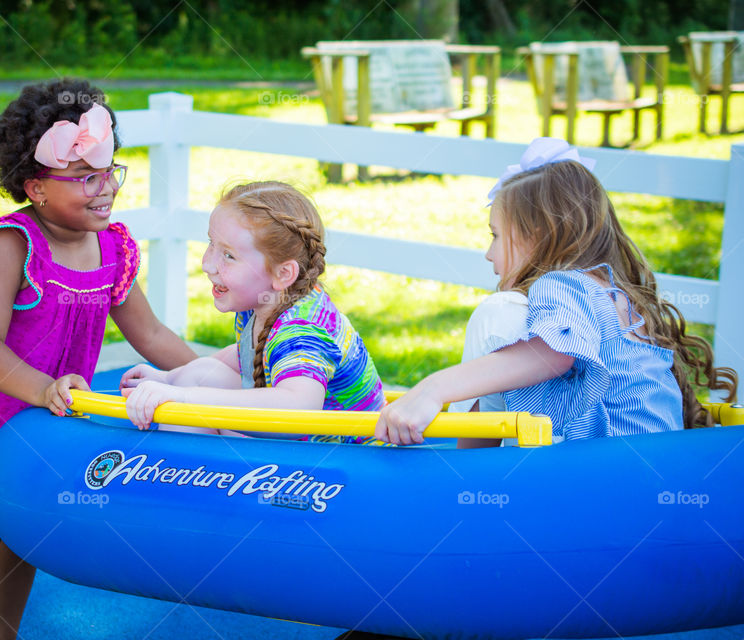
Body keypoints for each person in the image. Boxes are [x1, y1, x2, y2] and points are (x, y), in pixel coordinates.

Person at [0, 79, 197, 640]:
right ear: (35, 187)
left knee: (23, 535)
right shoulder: (10, 243)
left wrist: (210, 378)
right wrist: (45, 388)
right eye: (83, 178)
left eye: (109, 172)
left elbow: (150, 333)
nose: (104, 190)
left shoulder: (111, 248)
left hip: (29, 415)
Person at [377, 137, 737, 447]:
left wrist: (433, 388)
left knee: (499, 313)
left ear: (538, 236)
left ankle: (466, 472)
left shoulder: (564, 284)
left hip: (615, 476)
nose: (489, 254)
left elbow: (554, 354)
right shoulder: (613, 295)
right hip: (652, 468)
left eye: (496, 236)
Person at [120, 181, 384, 441]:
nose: (207, 265)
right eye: (212, 244)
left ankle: (184, 472)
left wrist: (184, 396)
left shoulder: (301, 330)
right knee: (197, 374)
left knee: (195, 391)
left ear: (283, 273)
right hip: (308, 450)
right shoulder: (266, 300)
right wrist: (170, 379)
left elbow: (298, 409)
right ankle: (182, 466)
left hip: (348, 460)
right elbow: (247, 354)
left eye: (229, 256)